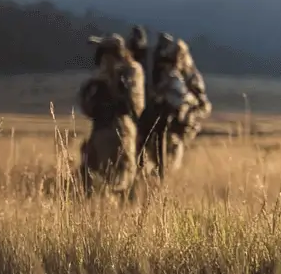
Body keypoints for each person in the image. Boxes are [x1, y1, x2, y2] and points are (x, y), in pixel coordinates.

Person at [137, 33, 212, 178]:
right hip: (154, 132)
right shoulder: (156, 76)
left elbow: (202, 106)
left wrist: (185, 113)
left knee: (166, 172)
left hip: (174, 133)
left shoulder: (186, 78)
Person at [78, 34, 144, 196]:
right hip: (100, 130)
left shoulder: (131, 71)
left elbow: (131, 105)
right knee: (90, 178)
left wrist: (112, 81)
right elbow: (88, 107)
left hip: (120, 131)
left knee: (119, 182)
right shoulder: (99, 79)